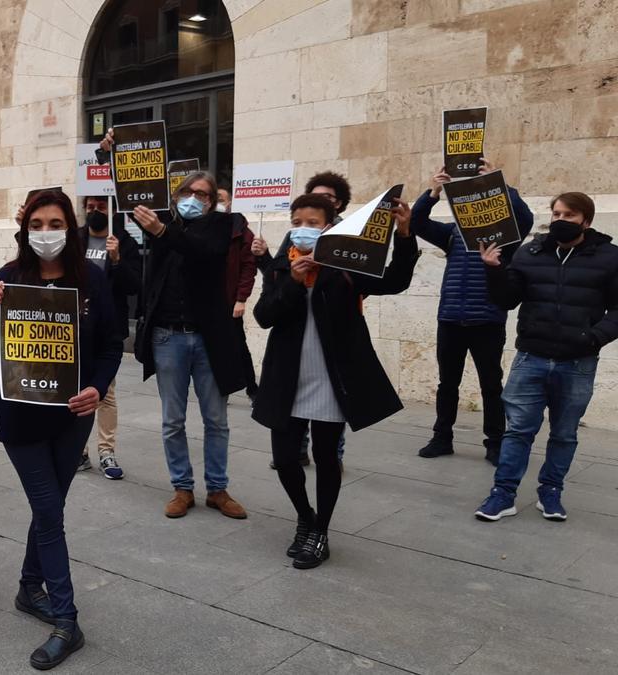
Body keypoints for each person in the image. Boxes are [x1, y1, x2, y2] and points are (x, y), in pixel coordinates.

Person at [0, 189, 122, 670]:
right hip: (19, 418)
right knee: (49, 511)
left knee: (50, 506)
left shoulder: (93, 282)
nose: (44, 233)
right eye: (35, 224)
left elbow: (110, 347)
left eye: (53, 223)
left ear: (70, 227)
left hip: (72, 417)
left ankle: (26, 588)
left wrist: (97, 389)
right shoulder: (9, 278)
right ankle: (66, 619)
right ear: (25, 229)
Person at [254, 194, 418, 568]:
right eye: (297, 220)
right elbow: (265, 316)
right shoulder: (282, 266)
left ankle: (321, 532)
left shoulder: (345, 266)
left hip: (331, 379)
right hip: (288, 379)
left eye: (312, 222)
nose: (303, 228)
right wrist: (293, 284)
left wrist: (405, 236)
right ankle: (305, 518)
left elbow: (394, 281)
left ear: (330, 226)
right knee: (284, 459)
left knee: (327, 458)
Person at [474, 192, 618, 522]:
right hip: (531, 358)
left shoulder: (610, 258)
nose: (560, 221)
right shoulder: (530, 253)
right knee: (518, 431)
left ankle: (551, 492)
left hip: (578, 362)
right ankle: (502, 494)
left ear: (587, 220)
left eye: (569, 215)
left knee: (564, 433)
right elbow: (507, 299)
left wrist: (593, 337)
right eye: (556, 214)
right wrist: (493, 270)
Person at [128, 170, 249, 519]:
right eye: (189, 192)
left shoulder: (222, 226)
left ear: (213, 201)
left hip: (208, 337)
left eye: (204, 194)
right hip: (168, 336)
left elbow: (202, 250)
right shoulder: (160, 223)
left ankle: (217, 489)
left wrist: (163, 232)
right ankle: (182, 487)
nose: (196, 198)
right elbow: (133, 189)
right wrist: (110, 153)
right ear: (177, 194)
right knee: (172, 420)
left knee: (216, 419)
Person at [410, 161, 534, 464]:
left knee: (491, 385)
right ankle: (442, 438)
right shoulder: (451, 234)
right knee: (446, 384)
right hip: (450, 319)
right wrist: (433, 191)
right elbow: (416, 222)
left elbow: (526, 217)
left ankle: (494, 443)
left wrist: (498, 183)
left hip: (488, 321)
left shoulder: (506, 237)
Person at [255, 170, 354, 469]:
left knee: (332, 402)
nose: (304, 228)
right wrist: (265, 259)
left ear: (337, 205)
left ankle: (332, 455)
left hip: (333, 334)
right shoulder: (295, 238)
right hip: (296, 335)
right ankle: (298, 449)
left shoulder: (349, 235)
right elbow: (278, 275)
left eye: (327, 198)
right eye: (298, 222)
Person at [77, 194, 141, 479]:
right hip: (75, 327)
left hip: (107, 328)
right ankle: (78, 450)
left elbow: (134, 286)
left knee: (106, 393)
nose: (95, 210)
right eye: (90, 206)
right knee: (75, 388)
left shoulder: (123, 241)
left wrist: (116, 260)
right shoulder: (74, 239)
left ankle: (106, 451)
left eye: (101, 205)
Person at [226, 206, 259, 400]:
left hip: (230, 301)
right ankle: (223, 388)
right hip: (208, 302)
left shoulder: (240, 230)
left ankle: (252, 389)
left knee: (239, 346)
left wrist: (241, 299)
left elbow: (249, 266)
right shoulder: (201, 225)